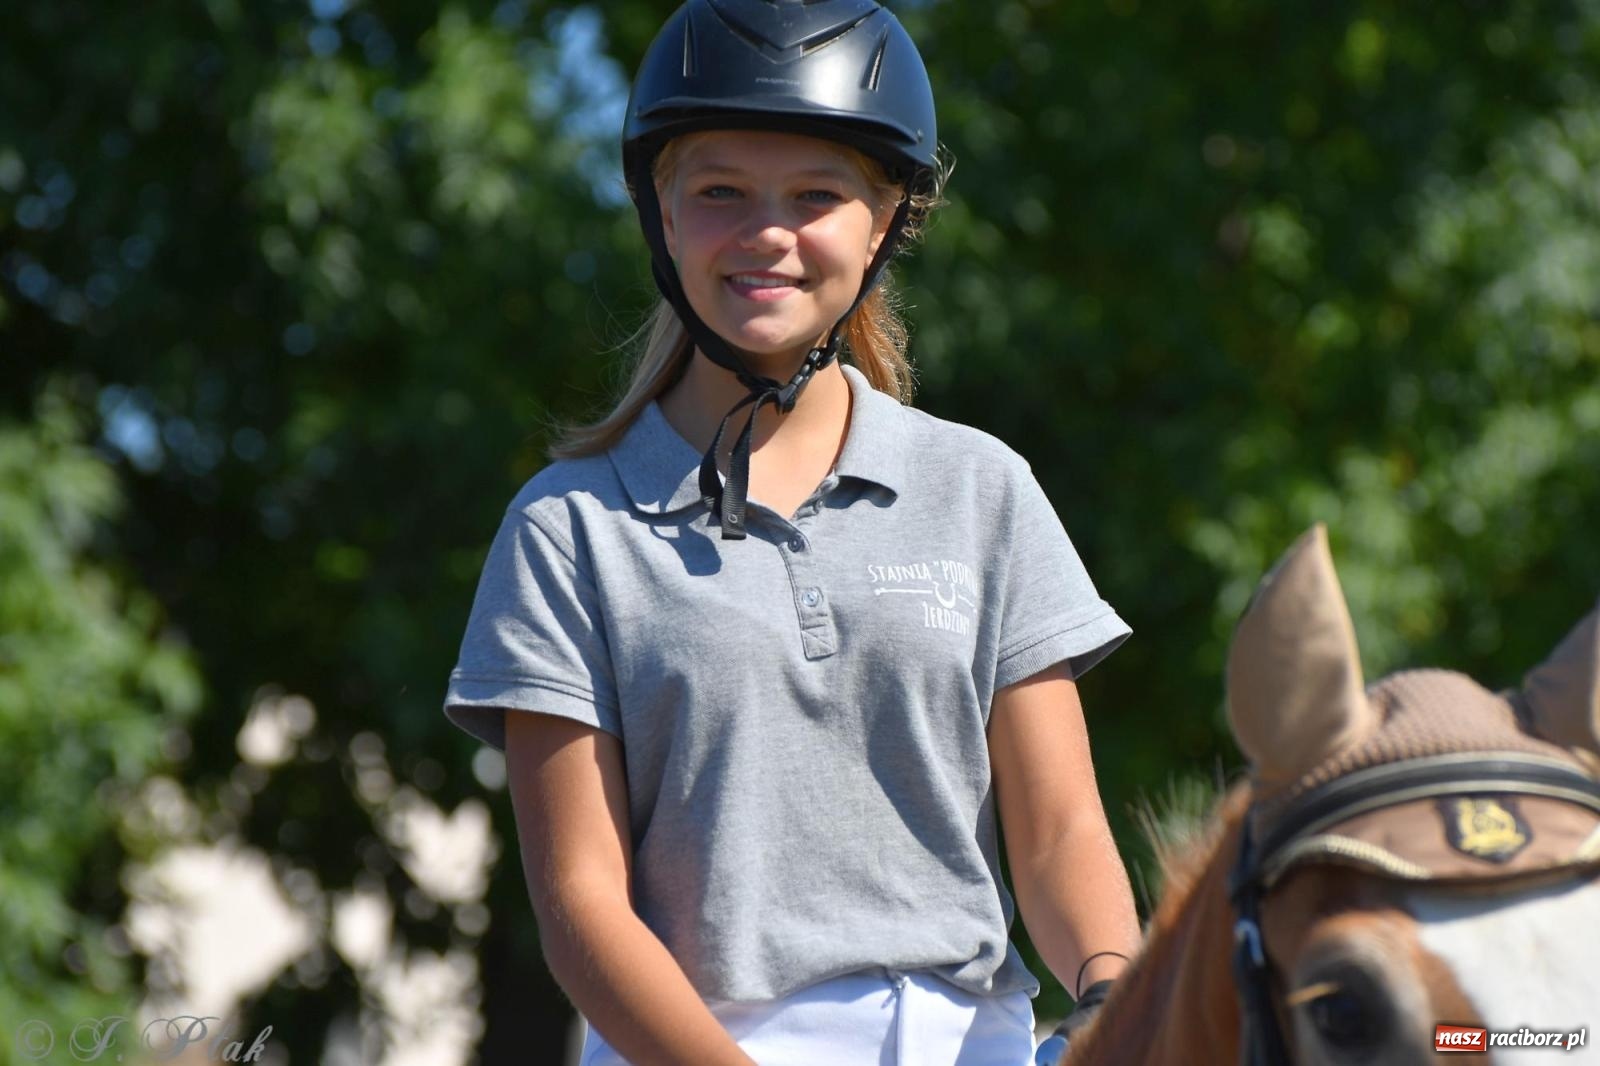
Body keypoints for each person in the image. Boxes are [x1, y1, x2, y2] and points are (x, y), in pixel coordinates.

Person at [443, 2, 1141, 1063]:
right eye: (719, 191)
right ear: (662, 218)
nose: (766, 232)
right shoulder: (566, 527)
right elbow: (582, 903)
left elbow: (1058, 834)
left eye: (816, 195)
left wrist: (1115, 999)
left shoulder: (979, 487)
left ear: (885, 224)